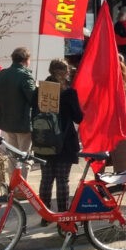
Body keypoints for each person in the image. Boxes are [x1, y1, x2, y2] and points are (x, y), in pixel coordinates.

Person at [36, 59, 83, 226]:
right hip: (64, 141)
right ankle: (63, 215)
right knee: (62, 179)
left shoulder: (41, 89)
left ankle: (45, 215)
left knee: (46, 179)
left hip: (44, 139)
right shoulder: (69, 93)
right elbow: (79, 117)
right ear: (65, 73)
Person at [0, 47, 37, 180]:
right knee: (24, 156)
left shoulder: (2, 73)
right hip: (23, 122)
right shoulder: (25, 75)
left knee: (13, 156)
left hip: (7, 120)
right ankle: (21, 188)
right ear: (26, 60)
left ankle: (13, 185)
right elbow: (32, 98)